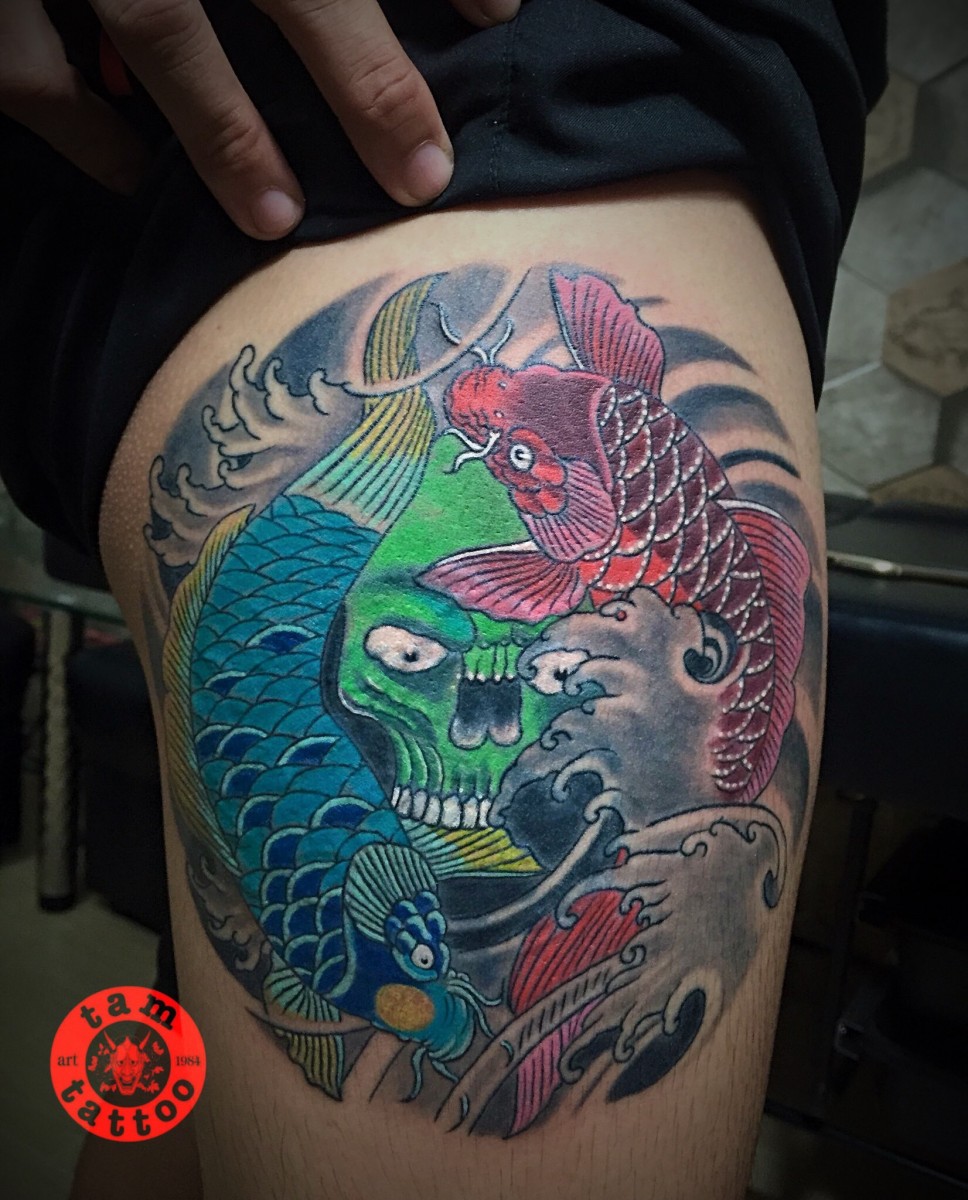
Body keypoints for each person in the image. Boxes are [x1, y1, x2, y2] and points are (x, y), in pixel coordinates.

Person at [0, 3, 886, 1197]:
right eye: (416, 651)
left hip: (212, 152)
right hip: (262, 114)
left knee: (206, 998)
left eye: (555, 671)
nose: (485, 729)